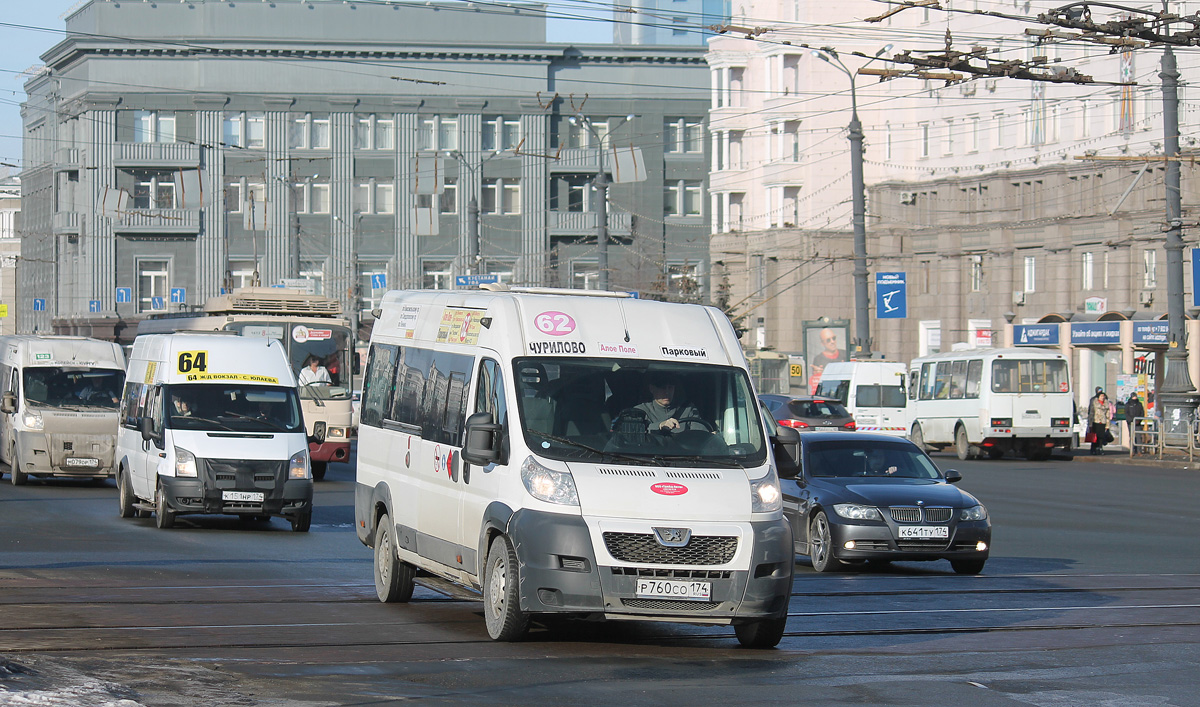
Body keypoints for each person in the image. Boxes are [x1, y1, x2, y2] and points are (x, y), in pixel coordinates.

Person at [633, 373, 702, 432]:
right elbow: (633, 433)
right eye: (663, 388)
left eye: (670, 388)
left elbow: (700, 434)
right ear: (652, 389)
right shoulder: (640, 411)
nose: (667, 392)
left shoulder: (688, 409)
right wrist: (659, 426)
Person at [808, 328, 847, 394]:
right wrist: (818, 375)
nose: (832, 342)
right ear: (822, 343)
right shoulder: (818, 359)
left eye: (833, 338)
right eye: (828, 340)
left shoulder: (845, 354)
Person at [1088, 391, 1112, 455]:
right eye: (1101, 396)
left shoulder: (1106, 404)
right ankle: (1093, 448)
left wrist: (1107, 425)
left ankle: (1100, 448)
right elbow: (1091, 413)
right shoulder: (1094, 403)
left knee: (1101, 436)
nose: (1102, 397)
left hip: (1103, 422)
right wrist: (1090, 424)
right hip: (1096, 421)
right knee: (1095, 436)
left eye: (1103, 396)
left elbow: (1107, 415)